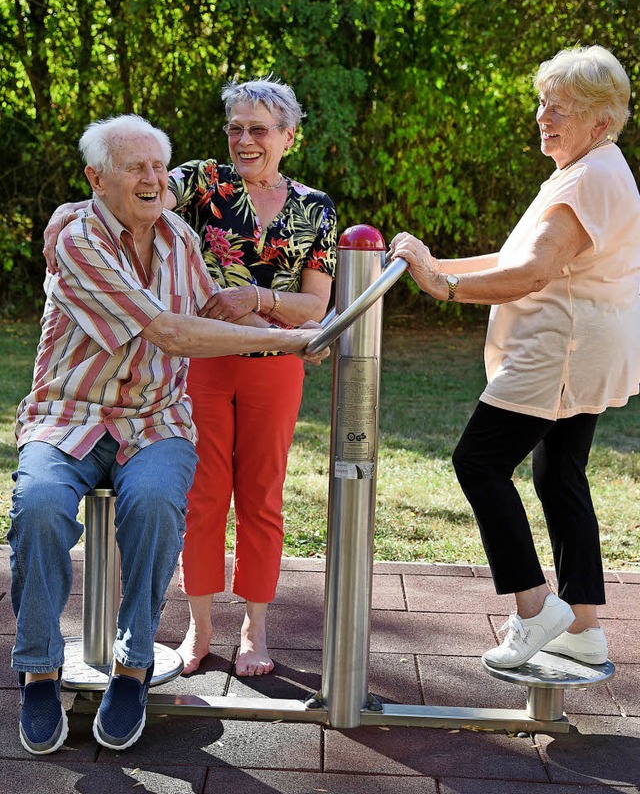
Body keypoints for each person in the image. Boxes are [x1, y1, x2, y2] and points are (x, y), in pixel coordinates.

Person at [11, 114, 327, 756]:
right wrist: (291, 340)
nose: (154, 179)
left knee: (157, 503)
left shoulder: (180, 237)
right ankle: (39, 669)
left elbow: (209, 306)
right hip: (69, 415)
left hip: (154, 418)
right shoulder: (78, 241)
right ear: (96, 180)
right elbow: (172, 331)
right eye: (137, 168)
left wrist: (271, 317)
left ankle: (132, 666)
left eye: (160, 167)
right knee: (39, 507)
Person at [390, 45, 640, 669]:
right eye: (542, 103)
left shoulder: (592, 176)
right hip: (577, 346)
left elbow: (531, 273)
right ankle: (581, 628)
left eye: (560, 108)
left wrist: (441, 286)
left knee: (477, 461)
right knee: (559, 474)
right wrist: (432, 267)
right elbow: (510, 261)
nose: (543, 116)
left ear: (600, 122)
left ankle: (535, 608)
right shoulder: (584, 169)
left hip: (561, 351)